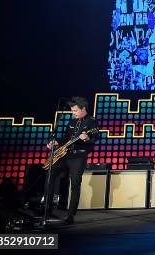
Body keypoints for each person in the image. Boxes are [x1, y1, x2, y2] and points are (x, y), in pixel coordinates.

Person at [45, 96, 98, 224]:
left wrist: (86, 138)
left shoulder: (92, 122)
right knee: (50, 174)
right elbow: (65, 139)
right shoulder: (71, 123)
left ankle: (70, 215)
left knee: (75, 183)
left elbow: (95, 137)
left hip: (78, 156)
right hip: (65, 155)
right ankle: (47, 210)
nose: (73, 113)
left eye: (75, 111)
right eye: (72, 111)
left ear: (83, 109)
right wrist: (55, 142)